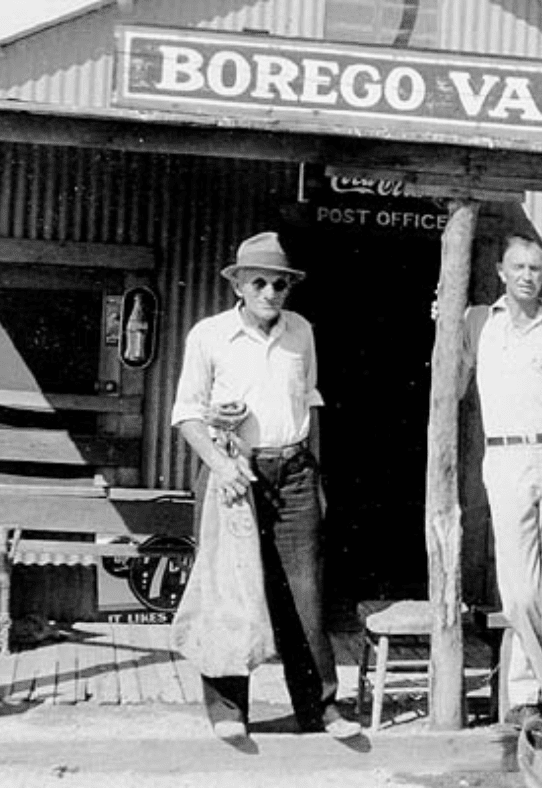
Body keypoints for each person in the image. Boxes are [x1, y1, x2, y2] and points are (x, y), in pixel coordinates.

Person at [170, 231, 361, 742]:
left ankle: (319, 707)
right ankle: (229, 710)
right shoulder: (209, 336)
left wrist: (314, 474)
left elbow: (310, 405)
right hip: (232, 474)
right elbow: (186, 414)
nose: (271, 292)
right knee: (229, 590)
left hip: (294, 473)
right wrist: (219, 461)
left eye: (280, 283)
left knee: (305, 592)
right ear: (239, 284)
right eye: (260, 282)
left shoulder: (302, 333)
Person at [466, 231, 542, 724]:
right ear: (501, 271)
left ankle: (523, 696)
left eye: (536, 269)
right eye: (517, 267)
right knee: (518, 590)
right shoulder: (478, 322)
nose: (526, 276)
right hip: (505, 459)